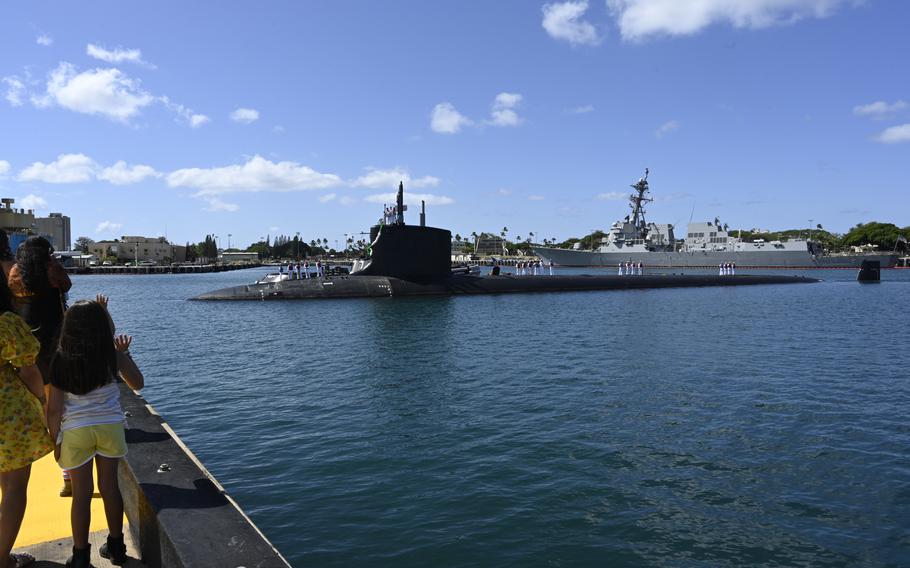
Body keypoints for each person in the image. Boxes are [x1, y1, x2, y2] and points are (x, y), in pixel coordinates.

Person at [46, 298, 144, 568]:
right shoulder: (111, 355)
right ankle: (116, 547)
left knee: (82, 494)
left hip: (76, 432)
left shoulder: (60, 359)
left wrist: (54, 439)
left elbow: (54, 409)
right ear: (102, 328)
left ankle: (80, 556)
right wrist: (124, 355)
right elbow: (138, 384)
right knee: (110, 487)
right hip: (109, 428)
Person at [0, 272, 52, 568]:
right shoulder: (6, 322)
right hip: (9, 414)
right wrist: (42, 400)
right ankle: (3, 559)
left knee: (3, 483)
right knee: (15, 486)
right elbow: (29, 370)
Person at [8, 236, 71, 383]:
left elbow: (12, 291)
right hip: (52, 317)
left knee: (32, 360)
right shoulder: (51, 268)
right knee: (53, 360)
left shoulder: (16, 270)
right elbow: (67, 285)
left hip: (24, 320)